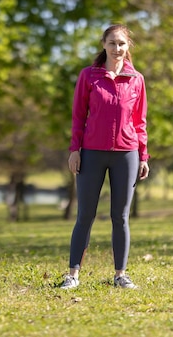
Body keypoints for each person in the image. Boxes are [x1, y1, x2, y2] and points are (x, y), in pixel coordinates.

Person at [60, 24, 149, 290]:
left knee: (120, 216)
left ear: (128, 46)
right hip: (92, 152)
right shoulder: (89, 76)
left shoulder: (137, 79)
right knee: (85, 214)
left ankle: (120, 274)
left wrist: (143, 155)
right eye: (112, 43)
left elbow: (140, 121)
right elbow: (78, 116)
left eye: (121, 43)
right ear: (103, 44)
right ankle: (72, 275)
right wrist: (75, 149)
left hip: (127, 153)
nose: (117, 48)